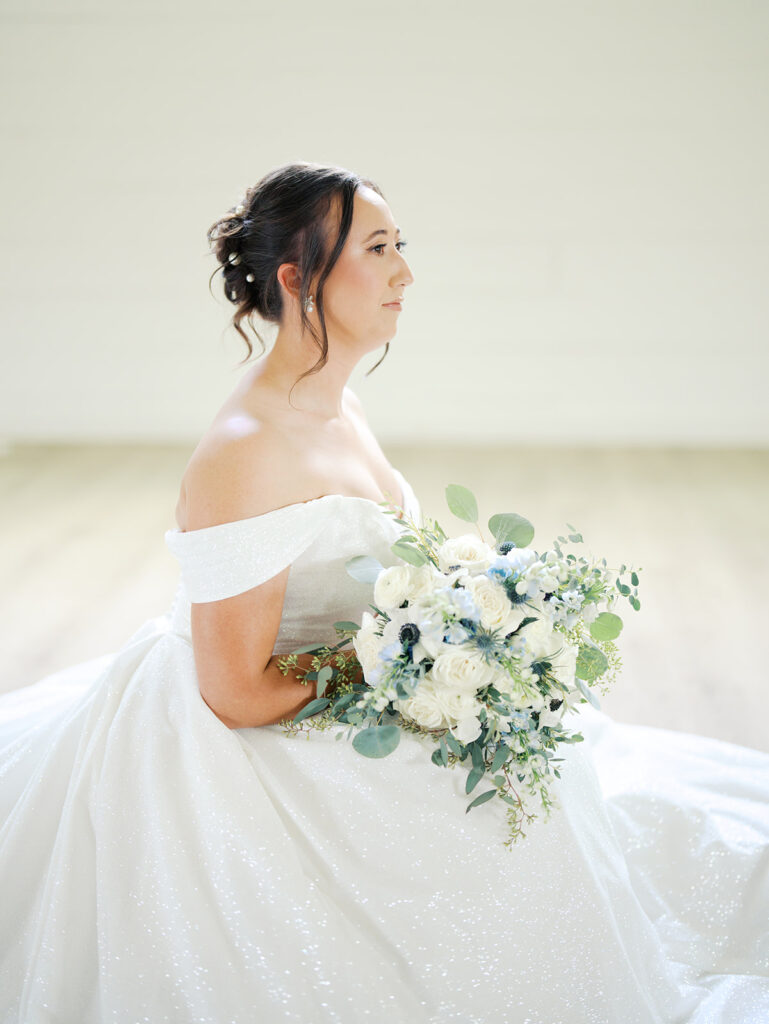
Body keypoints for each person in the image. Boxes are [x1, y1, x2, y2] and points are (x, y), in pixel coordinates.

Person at [0, 161, 767, 1024]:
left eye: (401, 244)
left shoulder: (338, 405)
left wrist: (460, 626)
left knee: (581, 799)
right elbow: (234, 691)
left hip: (350, 682)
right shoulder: (246, 451)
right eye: (376, 248)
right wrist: (404, 669)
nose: (405, 270)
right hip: (253, 729)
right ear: (296, 279)